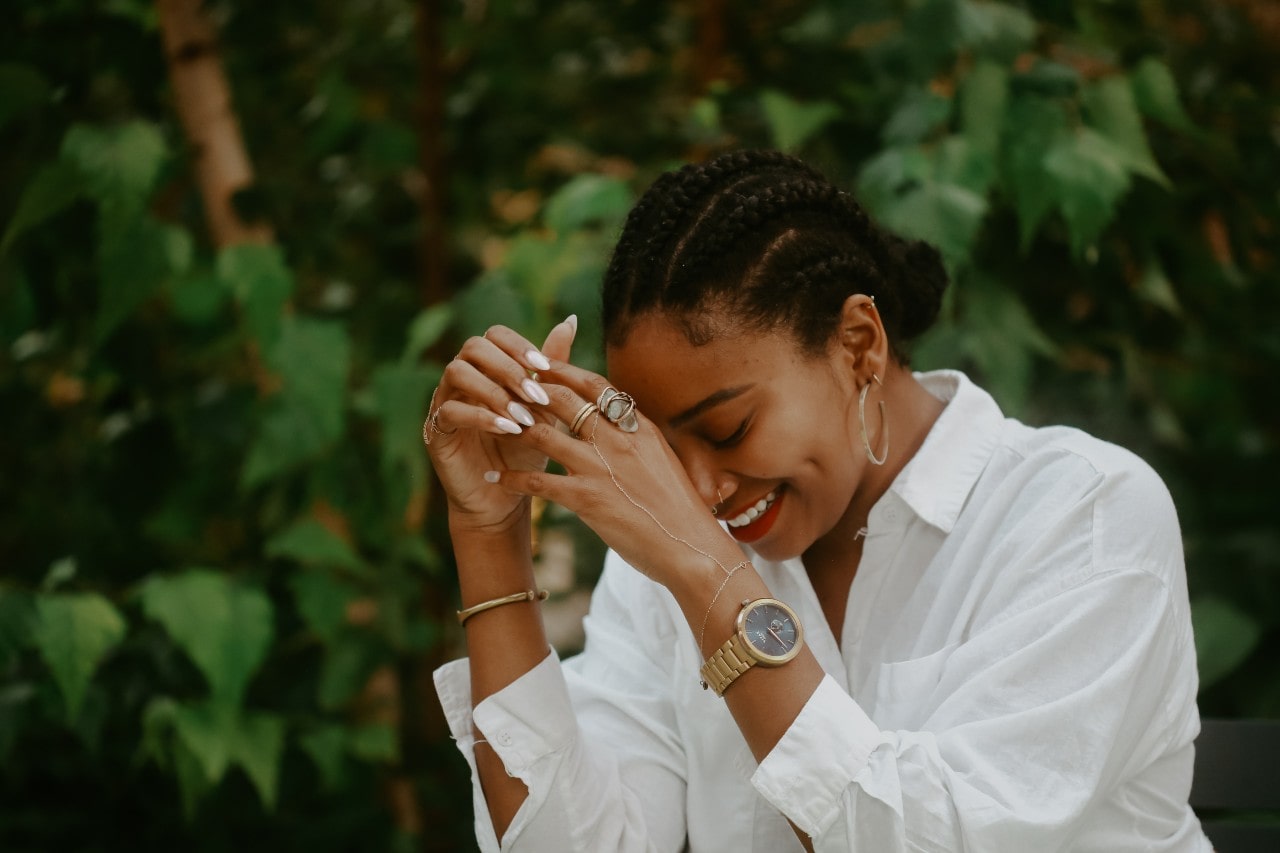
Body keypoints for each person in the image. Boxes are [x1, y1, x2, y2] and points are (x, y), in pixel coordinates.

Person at [426, 150, 1211, 852]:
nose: (696, 490)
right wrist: (489, 530)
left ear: (859, 344)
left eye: (730, 427)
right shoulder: (673, 548)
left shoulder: (1082, 515)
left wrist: (712, 581)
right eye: (662, 450)